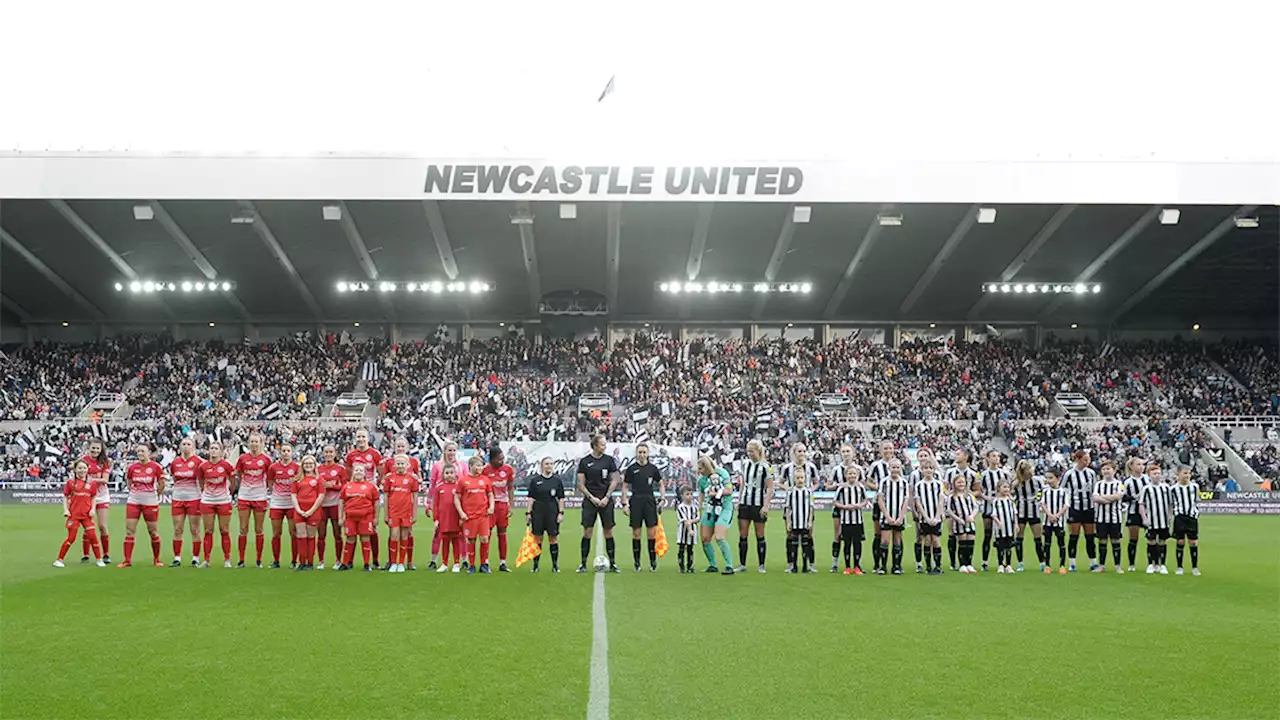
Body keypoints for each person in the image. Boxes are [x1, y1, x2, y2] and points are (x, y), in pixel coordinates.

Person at [576, 435, 620, 573]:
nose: (604, 447)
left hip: (606, 501)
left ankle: (613, 564)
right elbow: (581, 484)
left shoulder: (609, 460)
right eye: (602, 444)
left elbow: (615, 480)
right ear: (595, 446)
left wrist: (607, 496)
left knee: (608, 531)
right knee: (587, 532)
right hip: (590, 501)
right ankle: (583, 564)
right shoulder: (585, 462)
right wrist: (591, 497)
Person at [119, 444, 166, 568]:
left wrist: (155, 495)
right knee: (130, 531)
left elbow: (162, 484)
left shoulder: (156, 467)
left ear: (149, 453)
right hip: (134, 500)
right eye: (138, 451)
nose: (140, 453)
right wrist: (136, 493)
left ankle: (156, 559)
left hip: (150, 501)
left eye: (142, 451)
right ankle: (127, 560)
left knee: (153, 532)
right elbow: (129, 483)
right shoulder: (132, 467)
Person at [621, 442, 665, 572]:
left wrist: (662, 499)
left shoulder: (653, 469)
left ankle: (652, 563)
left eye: (644, 452)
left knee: (652, 534)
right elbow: (624, 486)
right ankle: (637, 563)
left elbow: (661, 484)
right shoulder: (631, 469)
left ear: (647, 454)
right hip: (636, 501)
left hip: (650, 501)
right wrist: (625, 503)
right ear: (636, 453)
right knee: (636, 534)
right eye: (639, 452)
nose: (642, 455)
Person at [380, 436, 421, 570]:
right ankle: (392, 561)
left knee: (407, 533)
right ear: (394, 447)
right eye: (398, 446)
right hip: (394, 507)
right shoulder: (389, 463)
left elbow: (418, 480)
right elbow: (384, 480)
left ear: (407, 447)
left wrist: (416, 479)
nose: (401, 448)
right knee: (394, 534)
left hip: (406, 507)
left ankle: (407, 562)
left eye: (403, 446)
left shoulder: (414, 462)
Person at [344, 428, 384, 567]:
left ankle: (375, 560)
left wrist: (374, 486)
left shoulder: (375, 454)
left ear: (368, 438)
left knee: (372, 529)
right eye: (359, 436)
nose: (361, 439)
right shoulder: (351, 455)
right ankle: (349, 561)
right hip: (355, 494)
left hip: (369, 494)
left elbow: (381, 473)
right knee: (352, 530)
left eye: (363, 436)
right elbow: (348, 473)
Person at [55, 459, 105, 567]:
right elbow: (65, 496)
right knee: (71, 538)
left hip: (86, 515)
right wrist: (66, 510)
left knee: (92, 536)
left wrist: (92, 509)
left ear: (87, 469)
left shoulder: (91, 483)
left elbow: (94, 497)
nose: (82, 470)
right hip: (74, 515)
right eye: (80, 468)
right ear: (75, 469)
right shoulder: (70, 482)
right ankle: (59, 560)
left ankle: (99, 559)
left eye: (84, 468)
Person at [735, 439, 774, 574]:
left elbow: (770, 487)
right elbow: (742, 484)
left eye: (751, 451)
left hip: (758, 505)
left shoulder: (765, 466)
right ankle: (742, 564)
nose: (749, 454)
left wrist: (766, 505)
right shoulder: (745, 464)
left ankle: (761, 565)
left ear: (758, 451)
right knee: (743, 534)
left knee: (760, 534)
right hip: (745, 503)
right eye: (748, 451)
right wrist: (739, 500)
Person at [234, 432, 271, 568]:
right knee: (243, 528)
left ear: (261, 443)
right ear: (248, 443)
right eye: (252, 441)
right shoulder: (243, 458)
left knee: (259, 529)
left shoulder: (266, 460)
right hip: (244, 496)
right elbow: (238, 474)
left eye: (257, 442)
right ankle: (241, 559)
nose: (254, 444)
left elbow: (270, 477)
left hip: (260, 497)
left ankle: (259, 560)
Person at [428, 441, 467, 569]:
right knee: (438, 534)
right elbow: (433, 486)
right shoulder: (437, 466)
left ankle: (462, 560)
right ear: (444, 451)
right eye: (449, 450)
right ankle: (435, 560)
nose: (451, 453)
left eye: (454, 450)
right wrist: (429, 503)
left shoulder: (461, 466)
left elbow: (465, 486)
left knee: (459, 535)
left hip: (456, 508)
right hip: (442, 505)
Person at [198, 441, 236, 568]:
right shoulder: (203, 466)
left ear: (221, 451)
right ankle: (207, 560)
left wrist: (227, 493)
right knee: (208, 530)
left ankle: (227, 559)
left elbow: (233, 482)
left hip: (223, 501)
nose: (213, 450)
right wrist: (207, 493)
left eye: (216, 448)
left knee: (224, 530)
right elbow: (201, 481)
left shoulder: (227, 465)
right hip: (207, 501)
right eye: (211, 448)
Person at [168, 436, 204, 567]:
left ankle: (195, 557)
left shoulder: (199, 462)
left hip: (193, 498)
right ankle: (177, 558)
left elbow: (202, 480)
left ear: (193, 446)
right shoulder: (175, 462)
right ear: (180, 446)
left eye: (189, 444)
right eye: (183, 444)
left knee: (195, 529)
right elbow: (174, 478)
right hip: (178, 498)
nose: (186, 446)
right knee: (178, 529)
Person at [697, 455, 736, 575]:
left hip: (724, 508)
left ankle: (729, 566)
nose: (699, 471)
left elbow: (729, 491)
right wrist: (699, 509)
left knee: (719, 537)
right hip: (709, 509)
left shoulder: (722, 473)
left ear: (707, 467)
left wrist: (716, 493)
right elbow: (702, 494)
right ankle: (713, 565)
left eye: (700, 468)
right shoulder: (702, 480)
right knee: (705, 538)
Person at [525, 457, 566, 573]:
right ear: (542, 466)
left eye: (551, 464)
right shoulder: (535, 480)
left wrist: (561, 513)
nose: (549, 466)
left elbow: (561, 498)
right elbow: (531, 498)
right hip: (538, 512)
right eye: (547, 464)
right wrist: (528, 513)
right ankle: (535, 566)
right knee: (538, 538)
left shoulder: (557, 481)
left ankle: (555, 566)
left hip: (552, 511)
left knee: (553, 538)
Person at [456, 455, 495, 574]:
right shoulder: (463, 480)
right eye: (478, 465)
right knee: (471, 540)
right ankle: (472, 565)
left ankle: (484, 564)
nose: (480, 467)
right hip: (469, 516)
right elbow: (457, 498)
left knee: (484, 539)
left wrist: (491, 506)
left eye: (481, 465)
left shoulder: (485, 480)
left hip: (483, 515)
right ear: (471, 466)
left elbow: (490, 495)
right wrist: (461, 513)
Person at [1062, 450, 1098, 572]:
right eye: (1085, 459)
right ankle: (1072, 563)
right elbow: (1062, 490)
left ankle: (1093, 562)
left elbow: (1094, 489)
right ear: (1077, 459)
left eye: (1088, 460)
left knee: (1090, 536)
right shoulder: (1069, 474)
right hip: (1075, 508)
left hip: (1089, 507)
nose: (1087, 462)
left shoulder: (1091, 473)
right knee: (1074, 536)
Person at [338, 464, 379, 571]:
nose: (358, 472)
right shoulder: (347, 486)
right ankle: (345, 563)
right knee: (350, 539)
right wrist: (340, 517)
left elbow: (376, 502)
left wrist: (376, 517)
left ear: (365, 473)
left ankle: (366, 564)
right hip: (350, 517)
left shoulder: (370, 486)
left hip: (365, 517)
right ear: (353, 472)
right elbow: (341, 501)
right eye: (356, 470)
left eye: (361, 470)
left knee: (365, 538)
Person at [482, 444, 515, 572]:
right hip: (489, 506)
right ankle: (485, 562)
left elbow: (510, 487)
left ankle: (503, 562)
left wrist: (511, 505)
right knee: (487, 534)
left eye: (503, 458)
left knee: (502, 534)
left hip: (502, 505)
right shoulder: (485, 470)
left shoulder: (508, 469)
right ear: (492, 459)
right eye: (499, 459)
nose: (502, 461)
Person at [943, 448, 978, 570]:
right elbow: (945, 488)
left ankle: (967, 563)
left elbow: (978, 489)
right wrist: (951, 496)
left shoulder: (973, 473)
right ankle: (954, 563)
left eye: (958, 454)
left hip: (967, 508)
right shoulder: (950, 472)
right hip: (953, 507)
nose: (955, 456)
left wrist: (968, 495)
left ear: (966, 456)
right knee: (953, 534)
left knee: (968, 536)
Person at [828, 444, 861, 573]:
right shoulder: (836, 469)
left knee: (856, 537)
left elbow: (862, 484)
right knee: (837, 535)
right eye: (843, 451)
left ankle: (857, 564)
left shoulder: (858, 469)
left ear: (853, 453)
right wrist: (838, 485)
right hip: (840, 507)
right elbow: (828, 485)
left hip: (854, 507)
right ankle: (835, 563)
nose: (846, 453)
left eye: (848, 451)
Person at [267, 444, 301, 569]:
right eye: (283, 451)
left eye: (288, 451)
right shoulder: (273, 467)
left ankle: (294, 561)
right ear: (279, 452)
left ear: (292, 452)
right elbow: (270, 483)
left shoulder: (297, 468)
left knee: (293, 532)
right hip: (277, 503)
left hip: (292, 504)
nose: (286, 453)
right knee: (276, 533)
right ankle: (276, 561)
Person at [832, 462, 869, 575]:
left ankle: (857, 566)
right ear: (846, 475)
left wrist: (859, 505)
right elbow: (834, 501)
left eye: (854, 473)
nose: (852, 476)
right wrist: (844, 507)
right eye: (850, 474)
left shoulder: (860, 487)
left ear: (857, 475)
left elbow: (865, 500)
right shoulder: (842, 488)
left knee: (857, 543)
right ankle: (848, 567)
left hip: (858, 520)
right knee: (847, 543)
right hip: (845, 520)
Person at [876, 458, 911, 575]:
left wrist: (901, 517)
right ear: (889, 468)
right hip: (887, 516)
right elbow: (880, 499)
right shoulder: (884, 482)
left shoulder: (904, 482)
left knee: (897, 540)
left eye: (897, 467)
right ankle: (883, 566)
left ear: (900, 468)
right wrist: (887, 516)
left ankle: (896, 566)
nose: (895, 469)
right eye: (893, 467)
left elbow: (906, 501)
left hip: (899, 516)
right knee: (885, 540)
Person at [973, 449, 1006, 572]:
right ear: (988, 458)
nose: (996, 458)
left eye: (998, 456)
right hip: (988, 507)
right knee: (987, 535)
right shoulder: (983, 474)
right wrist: (987, 498)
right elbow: (979, 490)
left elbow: (1008, 489)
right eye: (993, 456)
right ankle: (984, 562)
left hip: (1002, 508)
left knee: (1001, 536)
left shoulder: (1004, 473)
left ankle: (1001, 563)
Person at [80, 439, 112, 564]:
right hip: (87, 496)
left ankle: (106, 554)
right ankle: (86, 555)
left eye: (98, 448)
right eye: (93, 448)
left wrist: (89, 479)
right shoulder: (83, 460)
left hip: (102, 496)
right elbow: (76, 472)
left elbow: (105, 480)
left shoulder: (104, 462)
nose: (95, 450)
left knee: (102, 526)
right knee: (87, 527)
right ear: (89, 447)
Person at [290, 454, 325, 571]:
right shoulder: (297, 479)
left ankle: (310, 563)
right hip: (299, 511)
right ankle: (302, 562)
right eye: (306, 464)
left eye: (311, 464)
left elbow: (321, 496)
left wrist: (310, 511)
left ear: (315, 465)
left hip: (313, 511)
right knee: (301, 535)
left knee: (311, 536)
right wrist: (298, 509)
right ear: (302, 465)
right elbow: (293, 495)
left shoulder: (319, 479)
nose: (308, 466)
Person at [1091, 460, 1126, 573]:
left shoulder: (1119, 484)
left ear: (1114, 471)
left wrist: (1104, 498)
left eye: (1108, 469)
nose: (1106, 471)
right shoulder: (1099, 484)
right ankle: (1101, 566)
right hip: (1101, 518)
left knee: (1116, 541)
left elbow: (1119, 496)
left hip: (1115, 518)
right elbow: (1095, 498)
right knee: (1102, 541)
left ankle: (1117, 566)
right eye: (1104, 469)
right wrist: (1110, 498)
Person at [912, 459, 946, 575]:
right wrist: (926, 518)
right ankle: (928, 566)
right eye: (925, 468)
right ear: (922, 470)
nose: (928, 470)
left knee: (936, 540)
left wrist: (937, 517)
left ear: (933, 470)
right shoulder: (919, 485)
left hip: (936, 517)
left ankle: (938, 566)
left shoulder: (938, 484)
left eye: (930, 468)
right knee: (927, 540)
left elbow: (941, 501)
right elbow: (918, 503)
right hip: (924, 518)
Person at [316, 444, 348, 570]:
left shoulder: (340, 469)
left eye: (331, 452)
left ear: (335, 454)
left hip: (335, 504)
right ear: (323, 454)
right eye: (326, 452)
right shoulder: (318, 469)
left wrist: (332, 486)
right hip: (321, 505)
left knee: (337, 534)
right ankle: (320, 561)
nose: (328, 454)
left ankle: (338, 560)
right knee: (321, 534)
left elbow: (345, 486)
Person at [865, 441, 895, 571]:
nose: (888, 450)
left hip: (895, 503)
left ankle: (896, 565)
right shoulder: (876, 465)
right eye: (886, 448)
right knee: (878, 533)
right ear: (881, 450)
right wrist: (880, 488)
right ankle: (877, 564)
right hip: (879, 503)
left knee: (896, 534)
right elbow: (868, 482)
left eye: (890, 448)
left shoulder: (897, 464)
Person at [906, 447, 936, 573]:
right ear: (917, 458)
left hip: (933, 511)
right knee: (920, 536)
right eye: (921, 455)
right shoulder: (914, 474)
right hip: (920, 510)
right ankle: (919, 562)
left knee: (933, 537)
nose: (923, 458)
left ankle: (933, 562)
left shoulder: (936, 473)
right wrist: (913, 510)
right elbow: (911, 493)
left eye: (926, 455)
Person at [1139, 464, 1172, 575]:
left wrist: (1169, 517)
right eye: (1154, 473)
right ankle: (1151, 564)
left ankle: (1162, 565)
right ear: (1149, 476)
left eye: (1158, 473)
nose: (1157, 475)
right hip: (1152, 520)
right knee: (1151, 542)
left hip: (1163, 520)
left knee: (1162, 542)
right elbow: (1141, 504)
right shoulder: (1146, 488)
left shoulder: (1166, 487)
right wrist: (1144, 518)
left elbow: (1170, 504)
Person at [1011, 459, 1044, 572]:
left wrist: (1037, 500)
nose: (1030, 472)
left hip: (1033, 511)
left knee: (1038, 538)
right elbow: (1012, 496)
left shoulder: (1037, 481)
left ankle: (1042, 562)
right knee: (1019, 538)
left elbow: (1041, 493)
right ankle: (1020, 563)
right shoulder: (1016, 483)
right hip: (1020, 512)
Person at [431, 463, 464, 573]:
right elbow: (435, 505)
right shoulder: (439, 488)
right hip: (444, 519)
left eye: (451, 473)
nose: (449, 475)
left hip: (455, 518)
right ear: (443, 474)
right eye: (447, 473)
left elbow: (463, 503)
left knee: (456, 541)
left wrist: (461, 518)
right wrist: (436, 519)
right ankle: (444, 563)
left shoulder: (459, 486)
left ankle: (456, 563)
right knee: (444, 541)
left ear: (455, 474)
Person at [1169, 465, 1200, 576]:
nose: (1187, 476)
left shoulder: (1195, 487)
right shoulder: (1173, 489)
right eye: (1185, 473)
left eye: (1189, 473)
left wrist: (1196, 512)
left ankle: (1195, 567)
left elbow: (1197, 501)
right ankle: (1179, 567)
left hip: (1191, 517)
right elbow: (1171, 504)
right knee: (1180, 542)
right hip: (1179, 517)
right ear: (1178, 474)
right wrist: (1170, 517)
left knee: (1193, 542)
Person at [784, 465, 815, 574]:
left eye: (802, 478)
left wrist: (810, 521)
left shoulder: (809, 492)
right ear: (794, 479)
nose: (800, 480)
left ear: (805, 478)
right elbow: (787, 508)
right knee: (794, 545)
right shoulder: (790, 492)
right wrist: (788, 522)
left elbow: (811, 508)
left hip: (805, 523)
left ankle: (805, 566)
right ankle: (794, 566)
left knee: (805, 545)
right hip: (795, 523)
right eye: (797, 478)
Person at [1121, 456, 1150, 572]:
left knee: (1151, 538)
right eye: (1138, 464)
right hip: (1133, 512)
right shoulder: (1126, 481)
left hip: (1148, 512)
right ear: (1131, 467)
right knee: (1133, 539)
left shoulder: (1147, 479)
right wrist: (1132, 497)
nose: (1141, 467)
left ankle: (1151, 563)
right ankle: (1131, 564)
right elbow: (1122, 495)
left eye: (1142, 464)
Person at [1038, 469, 1069, 574]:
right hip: (1047, 522)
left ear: (1058, 478)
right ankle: (1047, 565)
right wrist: (1050, 515)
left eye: (1051, 478)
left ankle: (1062, 565)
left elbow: (1066, 505)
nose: (1048, 480)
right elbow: (1042, 504)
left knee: (1061, 543)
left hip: (1059, 521)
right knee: (1047, 543)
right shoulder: (1045, 491)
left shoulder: (1063, 491)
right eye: (1047, 478)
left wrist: (1057, 515)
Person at [991, 481, 1018, 573]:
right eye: (1004, 487)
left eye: (1008, 487)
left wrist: (1016, 524)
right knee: (1000, 546)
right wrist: (998, 523)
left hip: (1009, 527)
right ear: (999, 488)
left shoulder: (1010, 501)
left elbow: (1014, 513)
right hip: (1000, 528)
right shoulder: (996, 501)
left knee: (1009, 546)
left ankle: (1009, 565)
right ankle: (1000, 565)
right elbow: (993, 514)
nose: (1006, 489)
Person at [676, 486, 699, 574]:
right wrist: (689, 530)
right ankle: (681, 566)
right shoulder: (681, 507)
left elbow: (698, 517)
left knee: (690, 549)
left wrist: (691, 521)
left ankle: (690, 566)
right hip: (683, 531)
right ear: (682, 496)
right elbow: (685, 520)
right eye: (687, 494)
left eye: (691, 494)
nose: (690, 496)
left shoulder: (695, 505)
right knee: (682, 548)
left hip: (693, 530)